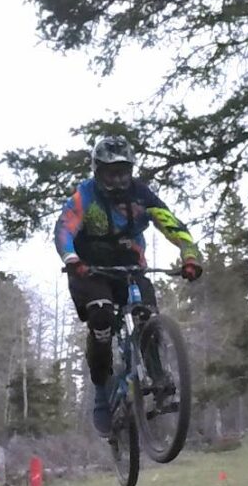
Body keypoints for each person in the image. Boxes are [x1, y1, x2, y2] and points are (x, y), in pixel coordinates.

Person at [54, 136, 202, 433]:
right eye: (111, 172)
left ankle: (159, 380)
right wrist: (70, 257)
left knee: (147, 314)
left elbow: (172, 224)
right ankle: (101, 389)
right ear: (98, 171)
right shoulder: (85, 196)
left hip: (129, 266)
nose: (119, 179)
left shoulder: (141, 195)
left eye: (124, 172)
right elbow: (64, 229)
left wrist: (189, 255)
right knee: (101, 317)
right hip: (89, 269)